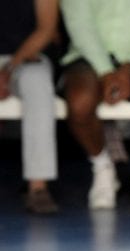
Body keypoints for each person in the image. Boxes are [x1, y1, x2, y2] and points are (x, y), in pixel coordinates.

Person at [60, 0, 130, 212]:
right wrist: (105, 71)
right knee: (79, 102)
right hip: (89, 56)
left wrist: (129, 66)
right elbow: (80, 25)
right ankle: (102, 168)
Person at [0, 0, 60, 214]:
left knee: (37, 80)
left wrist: (8, 69)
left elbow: (46, 29)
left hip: (26, 54)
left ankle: (38, 186)